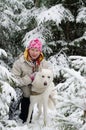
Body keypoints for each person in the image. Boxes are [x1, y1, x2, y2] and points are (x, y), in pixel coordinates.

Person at [12, 38, 51, 123]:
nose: (34, 53)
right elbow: (14, 81)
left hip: (36, 91)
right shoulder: (19, 63)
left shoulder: (43, 63)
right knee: (18, 93)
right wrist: (29, 78)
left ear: (40, 52)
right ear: (28, 50)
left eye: (37, 50)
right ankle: (12, 114)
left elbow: (48, 78)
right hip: (23, 90)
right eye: (32, 50)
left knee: (27, 119)